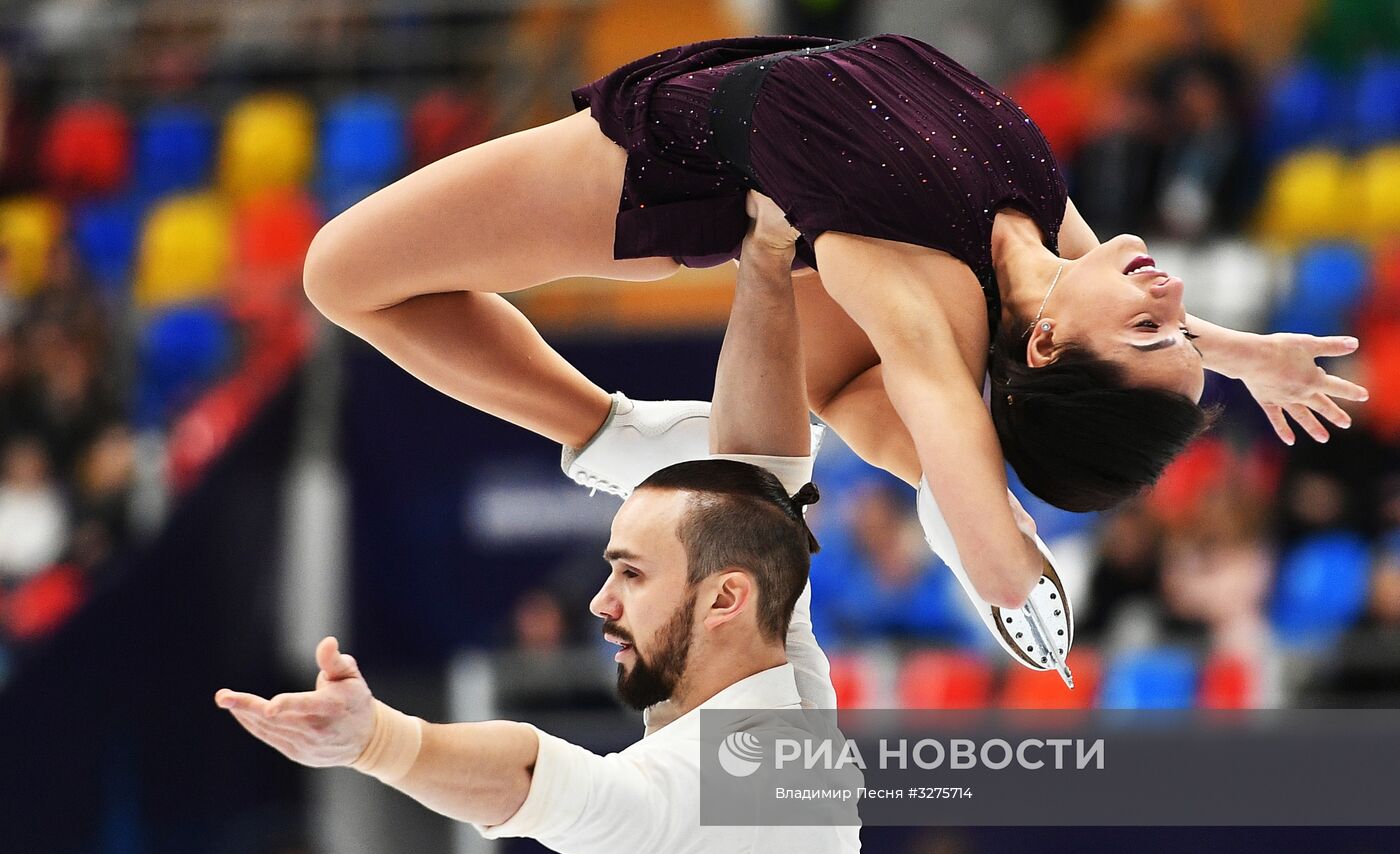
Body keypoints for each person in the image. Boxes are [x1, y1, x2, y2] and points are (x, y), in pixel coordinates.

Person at [302, 33, 1367, 615]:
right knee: (845, 390)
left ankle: (607, 433)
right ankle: (910, 483)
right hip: (772, 113)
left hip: (668, 159)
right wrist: (1241, 355)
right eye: (1176, 331)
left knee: (340, 274)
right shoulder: (1049, 233)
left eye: (1150, 333)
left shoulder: (914, 282)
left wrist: (1004, 564)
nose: (1172, 301)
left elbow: (958, 416)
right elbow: (1095, 343)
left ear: (1046, 344)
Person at [217, 193, 876, 854]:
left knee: (342, 277)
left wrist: (382, 740)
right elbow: (771, 488)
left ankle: (634, 442)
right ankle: (641, 445)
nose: (599, 602)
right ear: (729, 599)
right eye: (620, 570)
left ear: (724, 600)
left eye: (629, 571)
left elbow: (536, 776)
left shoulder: (747, 763)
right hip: (706, 441)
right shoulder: (769, 703)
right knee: (342, 275)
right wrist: (765, 256)